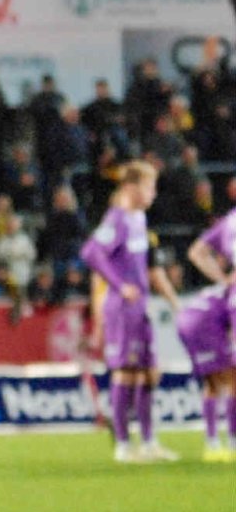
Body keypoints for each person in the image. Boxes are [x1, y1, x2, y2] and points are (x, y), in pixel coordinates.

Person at [81, 163, 181, 463]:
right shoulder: (117, 219)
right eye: (149, 187)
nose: (153, 193)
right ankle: (123, 446)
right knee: (125, 371)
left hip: (141, 307)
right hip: (122, 308)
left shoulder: (139, 219)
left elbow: (147, 268)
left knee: (149, 372)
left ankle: (149, 442)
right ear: (131, 187)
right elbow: (90, 252)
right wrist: (119, 285)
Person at [172, 285, 236, 462]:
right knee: (233, 381)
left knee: (212, 384)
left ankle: (212, 444)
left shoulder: (220, 288)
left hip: (185, 322)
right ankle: (233, 443)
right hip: (206, 325)